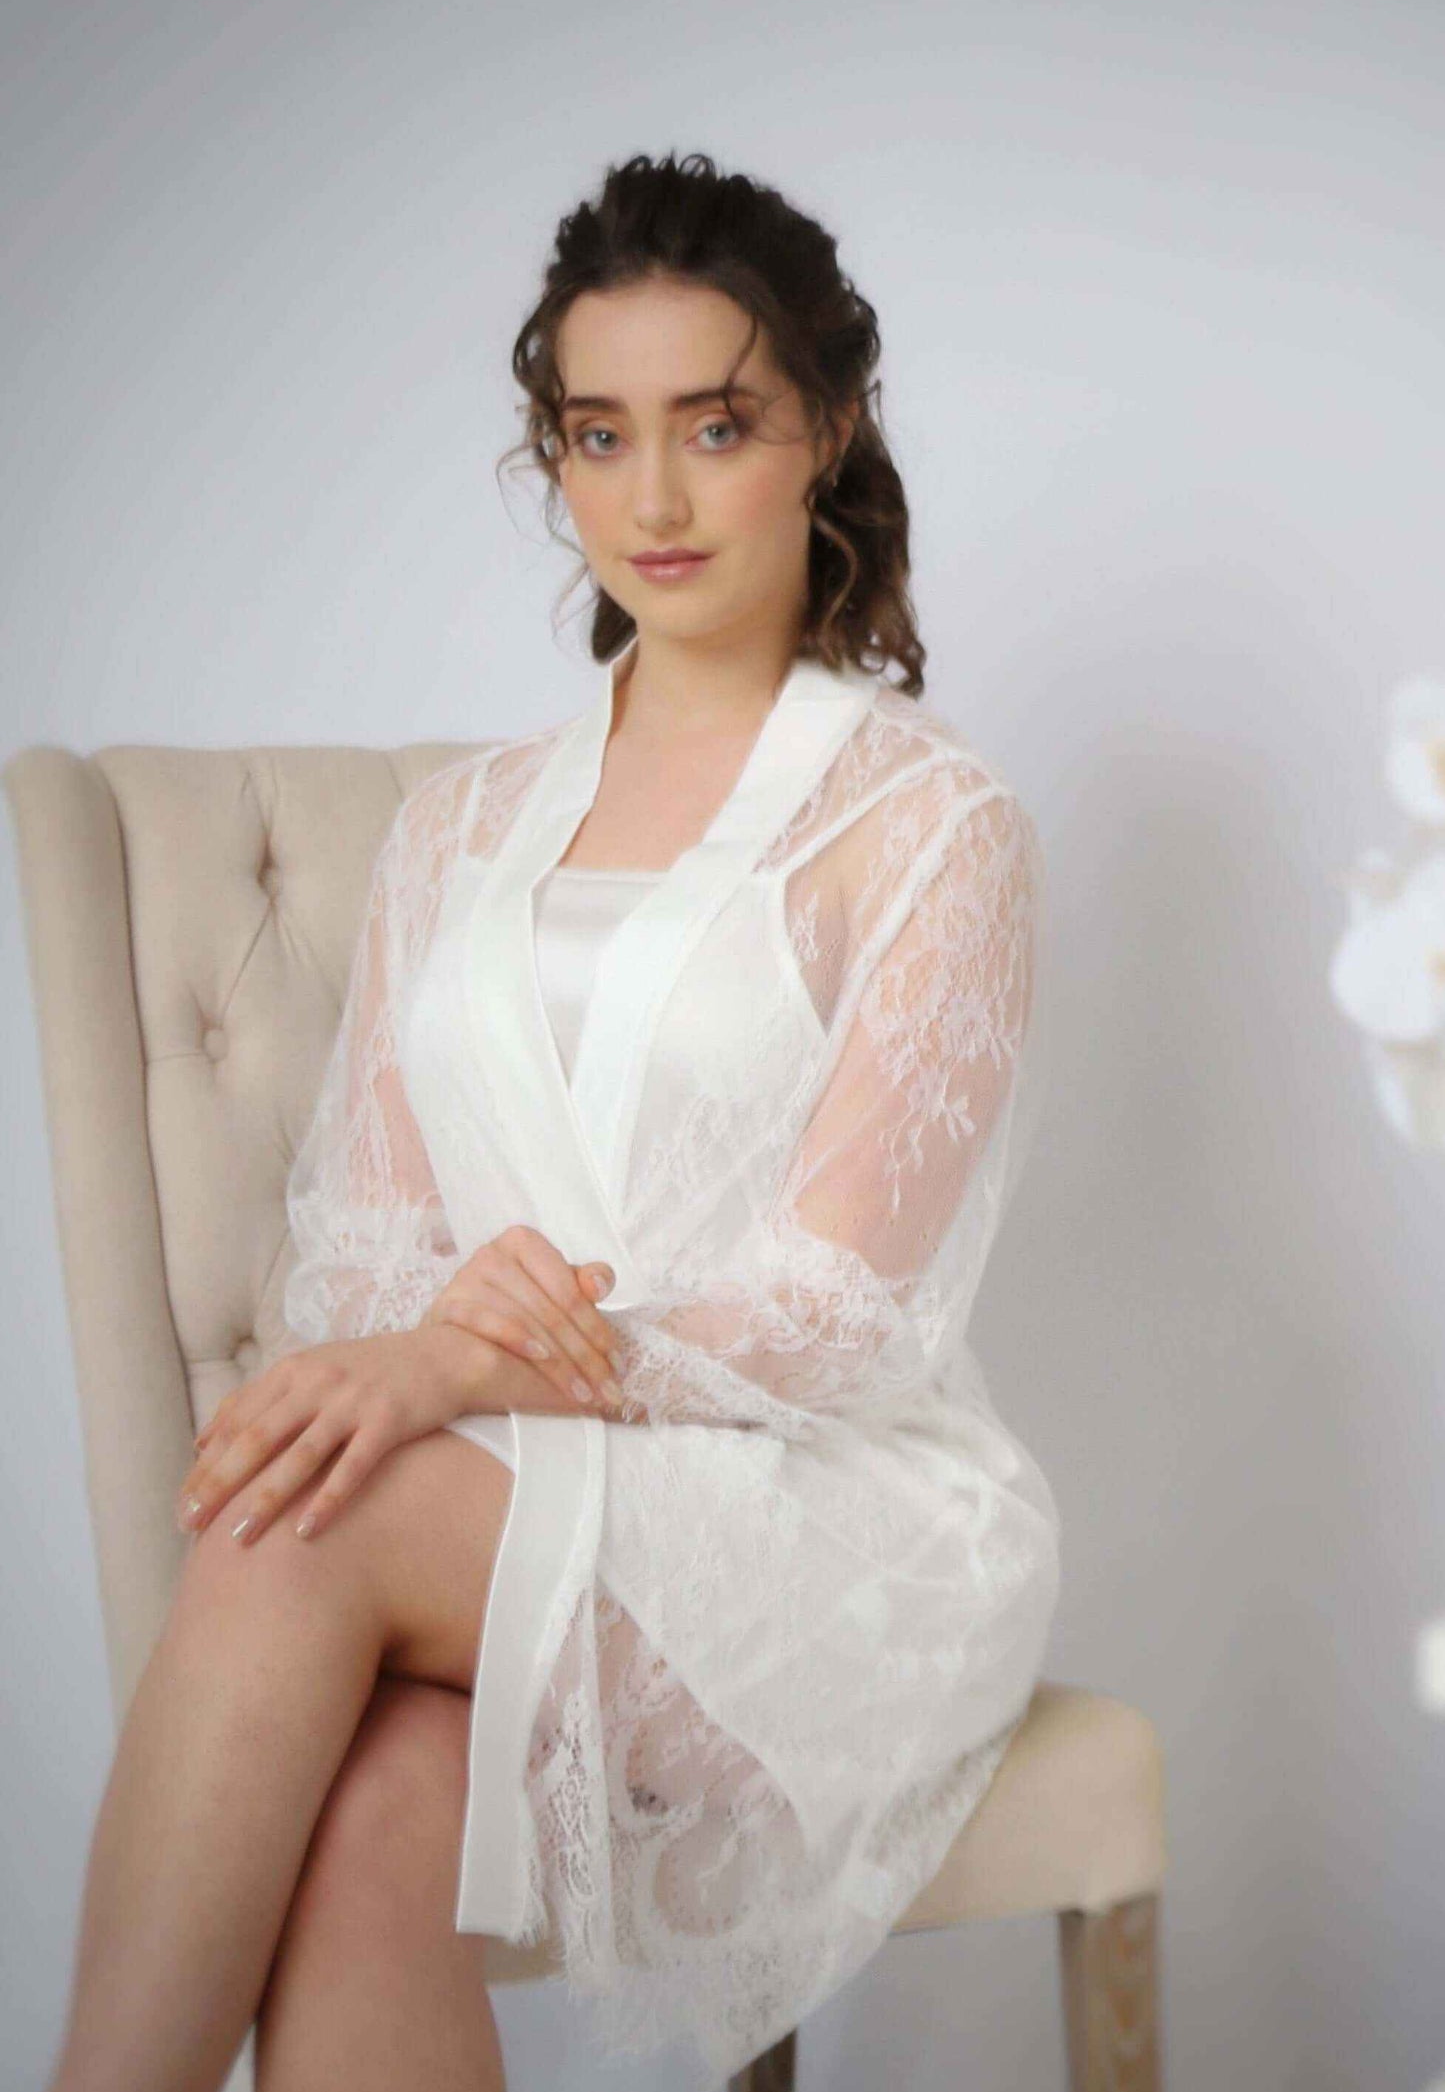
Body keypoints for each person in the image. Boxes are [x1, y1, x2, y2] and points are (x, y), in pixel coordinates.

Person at [46, 150, 1061, 2092]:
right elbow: (358, 1254)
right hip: (512, 1495)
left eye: (716, 425)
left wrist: (463, 1358)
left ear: (829, 427)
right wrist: (438, 1339)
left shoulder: (930, 825)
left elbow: (841, 1316)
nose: (652, 499)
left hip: (824, 1522)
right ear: (557, 455)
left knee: (299, 1525)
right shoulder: (459, 829)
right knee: (374, 1814)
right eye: (601, 434)